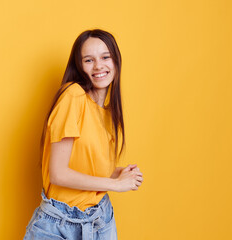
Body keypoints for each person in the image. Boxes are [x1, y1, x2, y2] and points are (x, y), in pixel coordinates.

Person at [23, 29, 143, 240]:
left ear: (116, 61)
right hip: (59, 225)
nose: (99, 66)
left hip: (100, 220)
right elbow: (59, 174)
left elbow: (81, 167)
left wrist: (116, 173)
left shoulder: (107, 113)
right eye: (89, 60)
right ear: (79, 66)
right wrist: (115, 185)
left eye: (105, 57)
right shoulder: (73, 96)